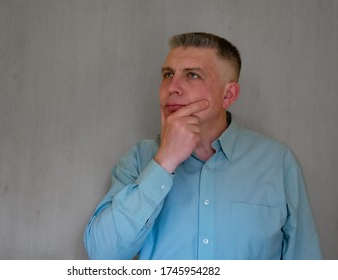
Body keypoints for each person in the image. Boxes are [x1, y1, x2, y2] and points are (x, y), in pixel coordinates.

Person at [84, 32, 322, 260]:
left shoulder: (277, 162)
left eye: (192, 75)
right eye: (168, 74)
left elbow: (305, 262)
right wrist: (164, 161)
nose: (172, 87)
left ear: (228, 95)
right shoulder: (138, 159)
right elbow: (102, 254)